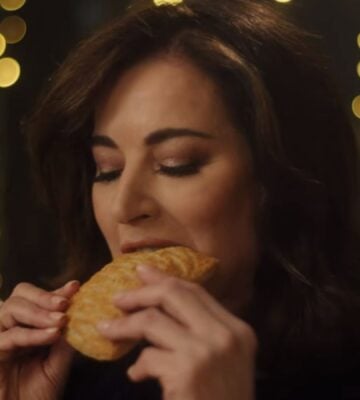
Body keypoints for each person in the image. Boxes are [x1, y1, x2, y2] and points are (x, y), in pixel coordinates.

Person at [0, 0, 359, 398]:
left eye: (177, 163)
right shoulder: (70, 380)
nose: (123, 206)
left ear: (278, 179)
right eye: (107, 170)